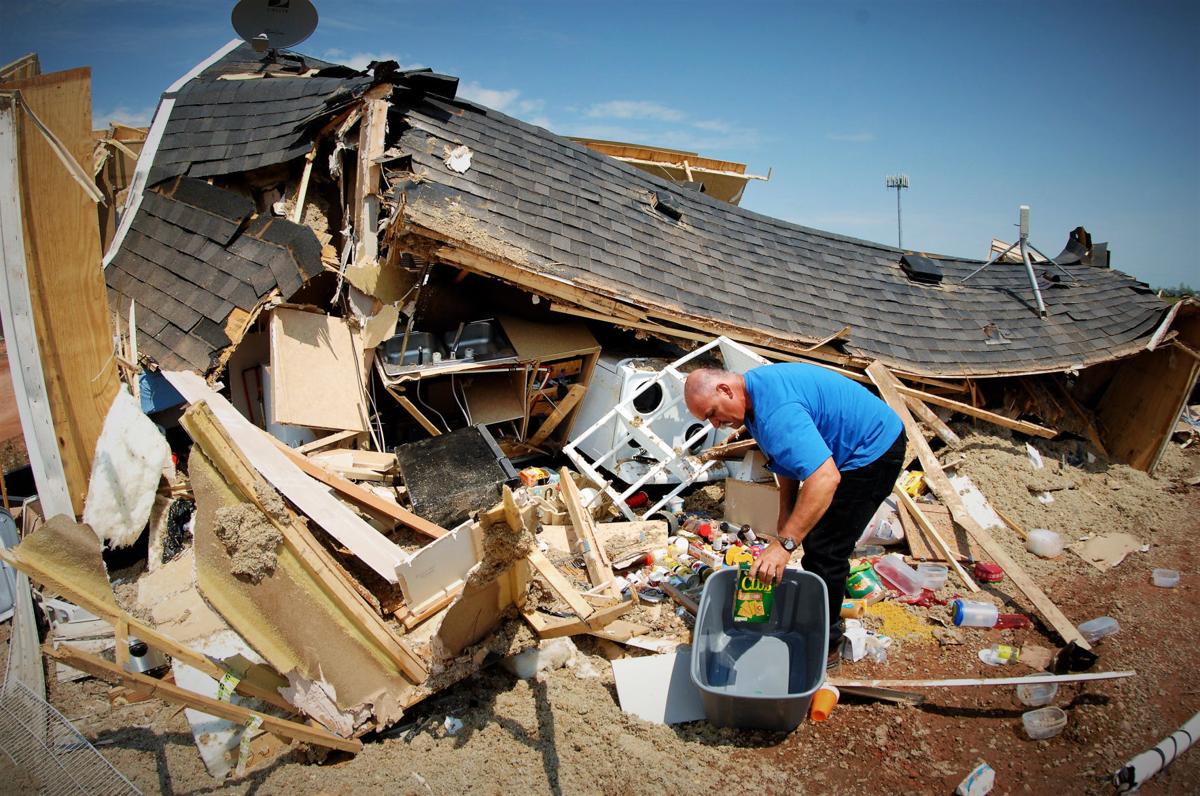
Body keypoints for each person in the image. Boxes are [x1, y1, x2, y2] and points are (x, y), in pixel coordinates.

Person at [684, 363, 906, 659]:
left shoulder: (776, 410)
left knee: (825, 547)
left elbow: (825, 478)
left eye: (711, 413)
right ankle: (815, 620)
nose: (714, 424)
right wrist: (786, 511)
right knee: (810, 534)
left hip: (873, 449)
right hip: (845, 449)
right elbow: (786, 455)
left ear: (725, 390)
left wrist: (785, 544)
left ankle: (826, 647)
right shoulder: (752, 400)